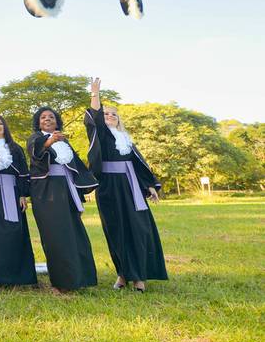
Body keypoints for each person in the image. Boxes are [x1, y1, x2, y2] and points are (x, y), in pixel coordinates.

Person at [85, 78, 167, 292]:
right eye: (106, 113)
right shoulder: (101, 135)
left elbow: (139, 166)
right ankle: (122, 274)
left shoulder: (126, 140)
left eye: (113, 114)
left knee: (139, 230)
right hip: (109, 189)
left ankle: (139, 277)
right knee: (115, 231)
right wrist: (95, 94)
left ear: (119, 119)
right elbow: (94, 118)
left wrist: (150, 186)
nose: (109, 116)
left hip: (131, 189)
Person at [27, 107, 98, 292]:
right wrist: (49, 141)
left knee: (75, 232)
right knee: (55, 235)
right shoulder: (35, 139)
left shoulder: (64, 141)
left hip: (67, 189)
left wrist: (88, 183)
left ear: (57, 121)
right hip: (47, 192)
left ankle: (81, 278)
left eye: (51, 117)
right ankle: (62, 283)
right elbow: (36, 155)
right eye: (43, 117)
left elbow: (78, 166)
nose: (47, 119)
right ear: (38, 122)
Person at [0, 115, 38, 287]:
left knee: (16, 232)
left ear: (5, 127)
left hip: (13, 191)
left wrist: (23, 194)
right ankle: (0, 279)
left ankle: (21, 277)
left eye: (0, 123)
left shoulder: (15, 148)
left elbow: (23, 172)